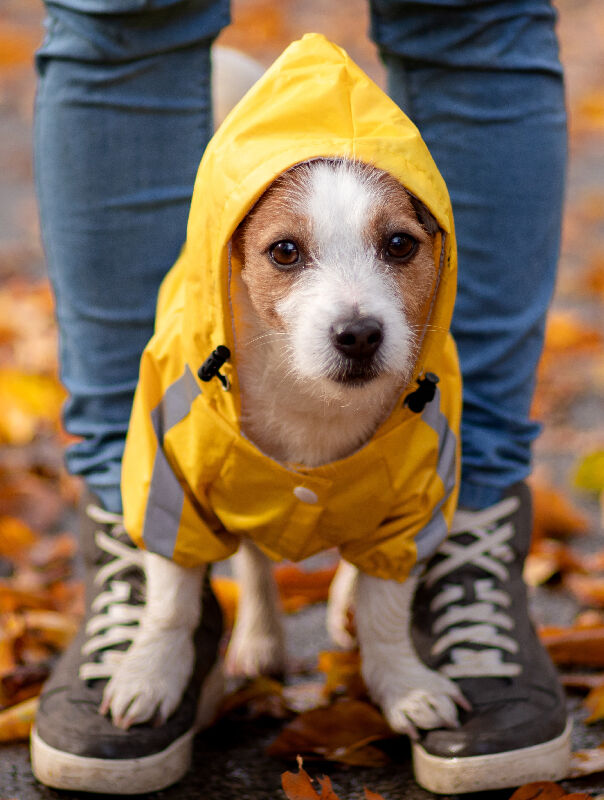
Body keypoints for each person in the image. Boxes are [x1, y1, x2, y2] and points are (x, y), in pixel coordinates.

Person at [30, 0, 568, 794]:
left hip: (394, 453)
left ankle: (455, 560)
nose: (355, 313)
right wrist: (164, 632)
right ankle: (156, 613)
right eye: (288, 252)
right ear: (236, 261)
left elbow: (403, 498)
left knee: (475, 10)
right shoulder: (190, 385)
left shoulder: (427, 395)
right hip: (224, 418)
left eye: (397, 247)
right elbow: (181, 478)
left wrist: (387, 661)